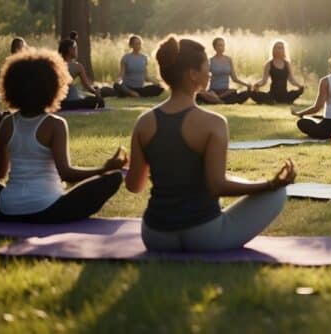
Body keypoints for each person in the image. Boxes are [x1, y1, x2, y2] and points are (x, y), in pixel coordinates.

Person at [126, 36, 296, 252]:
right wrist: (270, 184)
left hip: (155, 235)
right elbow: (217, 186)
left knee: (237, 180)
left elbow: (134, 185)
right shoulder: (213, 123)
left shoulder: (144, 122)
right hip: (204, 235)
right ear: (193, 74)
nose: (211, 72)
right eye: (207, 66)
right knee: (278, 194)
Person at [0, 48, 126, 222]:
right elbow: (67, 174)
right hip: (50, 210)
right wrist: (104, 169)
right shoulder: (55, 124)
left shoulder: (7, 124)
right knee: (113, 178)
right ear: (53, 86)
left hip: (7, 209)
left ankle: (14, 212)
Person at [196, 37, 253, 105]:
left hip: (226, 92)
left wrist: (247, 85)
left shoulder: (228, 60)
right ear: (214, 47)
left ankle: (217, 100)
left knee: (239, 93)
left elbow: (234, 78)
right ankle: (219, 100)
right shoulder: (210, 61)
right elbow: (205, 76)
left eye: (223, 45)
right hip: (214, 91)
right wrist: (203, 90)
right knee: (200, 95)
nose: (222, 47)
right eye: (219, 45)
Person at [58, 32, 105, 110]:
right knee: (97, 101)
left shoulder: (53, 63)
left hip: (58, 103)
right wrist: (96, 93)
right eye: (75, 48)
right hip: (71, 102)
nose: (77, 50)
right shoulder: (77, 66)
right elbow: (87, 86)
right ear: (70, 50)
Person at [249, 40, 305, 105]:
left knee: (299, 91)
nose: (280, 50)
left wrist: (300, 86)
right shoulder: (269, 64)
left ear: (284, 50)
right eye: (278, 47)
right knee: (252, 93)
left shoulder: (287, 64)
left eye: (282, 48)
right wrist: (257, 85)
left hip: (284, 94)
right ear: (274, 49)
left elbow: (292, 80)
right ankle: (272, 100)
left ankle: (281, 100)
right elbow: (264, 81)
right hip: (272, 94)